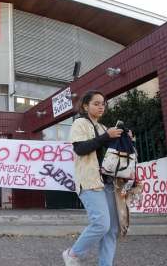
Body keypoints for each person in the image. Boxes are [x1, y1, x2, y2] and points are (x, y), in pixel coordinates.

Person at [63, 90, 125, 266]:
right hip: (89, 181)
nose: (101, 107)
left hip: (108, 183)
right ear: (86, 106)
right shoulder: (80, 123)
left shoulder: (102, 127)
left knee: (112, 228)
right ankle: (73, 253)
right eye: (96, 103)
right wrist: (107, 136)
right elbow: (80, 149)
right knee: (101, 224)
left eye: (103, 104)